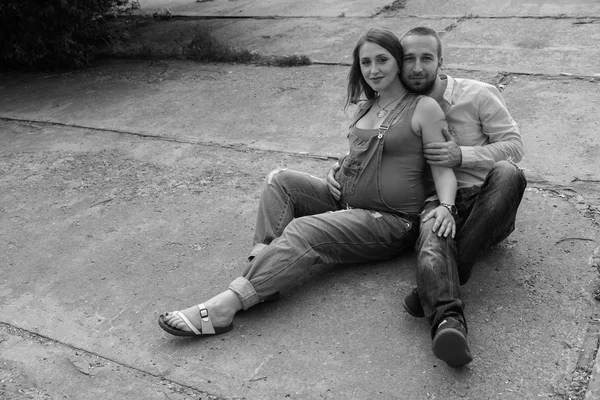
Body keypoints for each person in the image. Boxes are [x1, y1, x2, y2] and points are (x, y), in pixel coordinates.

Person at [158, 27, 459, 339]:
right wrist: (337, 168)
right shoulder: (365, 106)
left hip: (390, 221)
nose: (373, 70)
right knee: (279, 180)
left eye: (382, 60)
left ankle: (226, 307)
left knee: (305, 230)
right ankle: (265, 269)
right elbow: (358, 153)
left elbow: (442, 166)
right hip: (344, 199)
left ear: (397, 62)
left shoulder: (424, 108)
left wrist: (447, 206)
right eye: (365, 62)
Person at [328, 27, 526, 368]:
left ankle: (433, 286)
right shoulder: (394, 103)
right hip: (436, 201)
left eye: (426, 58)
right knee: (433, 239)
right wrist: (340, 167)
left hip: (487, 201)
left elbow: (514, 147)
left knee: (509, 172)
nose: (417, 67)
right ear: (398, 63)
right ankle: (448, 325)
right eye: (409, 59)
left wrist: (459, 155)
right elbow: (374, 146)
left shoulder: (477, 95)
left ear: (440, 62)